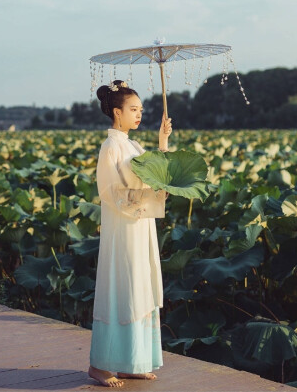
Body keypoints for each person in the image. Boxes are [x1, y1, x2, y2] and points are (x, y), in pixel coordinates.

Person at [88, 79, 172, 388]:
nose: (139, 114)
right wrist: (147, 191)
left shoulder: (131, 144)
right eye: (133, 109)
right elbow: (112, 191)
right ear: (116, 112)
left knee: (139, 287)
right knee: (122, 286)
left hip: (140, 223)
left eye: (141, 109)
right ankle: (100, 365)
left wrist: (162, 142)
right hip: (124, 225)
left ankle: (130, 362)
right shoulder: (111, 145)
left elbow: (152, 173)